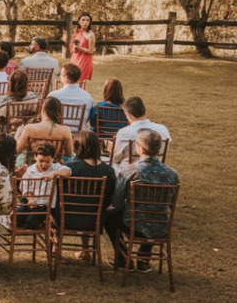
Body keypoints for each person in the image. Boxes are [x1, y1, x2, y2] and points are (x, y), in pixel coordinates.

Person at [106, 128, 180, 272]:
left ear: (139, 148)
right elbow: (170, 202)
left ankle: (122, 256)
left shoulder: (130, 170)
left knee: (108, 215)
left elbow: (117, 201)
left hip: (132, 224)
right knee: (154, 211)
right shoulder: (172, 174)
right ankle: (144, 257)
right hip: (161, 226)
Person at [64, 130, 116, 260]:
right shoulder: (108, 170)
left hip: (67, 216)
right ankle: (85, 249)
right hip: (96, 218)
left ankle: (54, 247)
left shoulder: (69, 167)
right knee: (90, 206)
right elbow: (111, 197)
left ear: (76, 148)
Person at [16, 142, 72, 229]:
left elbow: (68, 171)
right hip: (31, 201)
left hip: (45, 205)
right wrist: (30, 199)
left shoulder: (55, 167)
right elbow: (25, 186)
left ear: (52, 158)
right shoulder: (30, 170)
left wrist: (53, 174)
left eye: (47, 161)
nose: (44, 164)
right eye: (41, 161)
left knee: (31, 223)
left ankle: (36, 221)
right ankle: (24, 216)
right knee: (15, 219)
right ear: (35, 157)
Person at [110, 97, 172, 173]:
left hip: (129, 173)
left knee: (111, 164)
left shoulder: (124, 132)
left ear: (128, 115)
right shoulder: (163, 129)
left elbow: (115, 158)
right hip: (156, 170)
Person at [14, 96, 75, 161]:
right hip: (54, 164)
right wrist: (58, 150)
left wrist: (18, 133)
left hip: (32, 165)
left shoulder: (29, 128)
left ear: (43, 109)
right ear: (59, 111)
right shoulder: (66, 130)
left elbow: (16, 151)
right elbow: (69, 154)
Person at [48, 63, 95, 132]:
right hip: (79, 136)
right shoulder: (88, 97)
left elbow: (48, 119)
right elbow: (87, 119)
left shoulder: (53, 96)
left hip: (59, 134)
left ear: (65, 77)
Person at [70, 12, 95, 81]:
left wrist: (80, 48)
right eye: (83, 20)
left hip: (84, 60)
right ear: (79, 21)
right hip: (75, 59)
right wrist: (74, 48)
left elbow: (91, 51)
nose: (85, 22)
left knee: (80, 81)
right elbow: (72, 46)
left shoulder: (90, 35)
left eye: (87, 20)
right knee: (71, 80)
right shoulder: (77, 32)